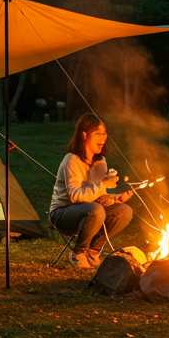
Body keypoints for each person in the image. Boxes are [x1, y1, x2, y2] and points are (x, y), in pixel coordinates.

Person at [48, 114, 134, 269]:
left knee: (125, 211)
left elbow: (98, 197)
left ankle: (92, 251)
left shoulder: (100, 162)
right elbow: (76, 197)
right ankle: (77, 253)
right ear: (84, 135)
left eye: (105, 133)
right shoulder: (72, 160)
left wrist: (115, 198)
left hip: (90, 212)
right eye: (98, 133)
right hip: (62, 214)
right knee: (95, 210)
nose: (103, 137)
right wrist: (103, 185)